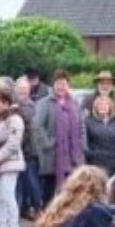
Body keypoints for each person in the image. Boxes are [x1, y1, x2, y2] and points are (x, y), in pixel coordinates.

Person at [33, 69, 85, 203]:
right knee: (48, 194)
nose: (61, 87)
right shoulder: (44, 103)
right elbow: (37, 126)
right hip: (52, 157)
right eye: (58, 83)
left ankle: (67, 221)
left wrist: (82, 145)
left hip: (73, 158)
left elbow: (81, 126)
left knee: (71, 194)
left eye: (64, 83)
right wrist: (48, 144)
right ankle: (48, 221)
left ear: (68, 85)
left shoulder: (74, 104)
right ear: (53, 85)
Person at [0, 85, 25, 227]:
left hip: (11, 163)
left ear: (8, 103)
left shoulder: (15, 119)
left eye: (0, 101)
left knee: (8, 196)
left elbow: (13, 144)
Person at [14, 76, 44, 220]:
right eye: (20, 89)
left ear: (29, 90)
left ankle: (38, 207)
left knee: (32, 182)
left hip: (30, 150)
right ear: (15, 89)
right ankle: (20, 209)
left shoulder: (33, 106)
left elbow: (29, 121)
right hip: (14, 150)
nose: (23, 91)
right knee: (17, 183)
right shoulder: (12, 105)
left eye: (25, 89)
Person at [84, 94, 115, 177]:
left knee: (112, 188)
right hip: (94, 163)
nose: (103, 107)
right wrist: (90, 155)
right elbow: (84, 141)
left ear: (110, 107)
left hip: (113, 162)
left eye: (105, 105)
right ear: (95, 107)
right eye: (100, 105)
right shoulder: (88, 121)